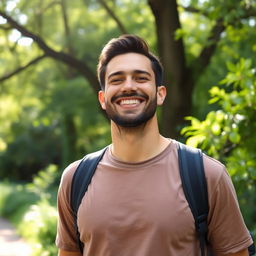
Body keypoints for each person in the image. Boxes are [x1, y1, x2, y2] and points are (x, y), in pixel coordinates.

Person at [55, 34, 253, 256]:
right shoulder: (75, 179)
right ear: (102, 98)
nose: (128, 86)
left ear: (160, 94)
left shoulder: (208, 175)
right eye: (117, 79)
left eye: (141, 78)